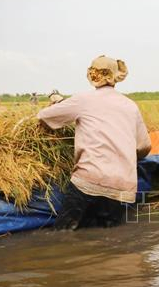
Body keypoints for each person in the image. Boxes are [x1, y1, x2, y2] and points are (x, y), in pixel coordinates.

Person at [37, 55, 152, 230]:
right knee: (106, 238)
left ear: (92, 75)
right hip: (122, 188)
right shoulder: (130, 106)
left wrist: (59, 103)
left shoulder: (83, 99)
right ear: (114, 77)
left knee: (63, 234)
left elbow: (45, 117)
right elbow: (144, 146)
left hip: (89, 180)